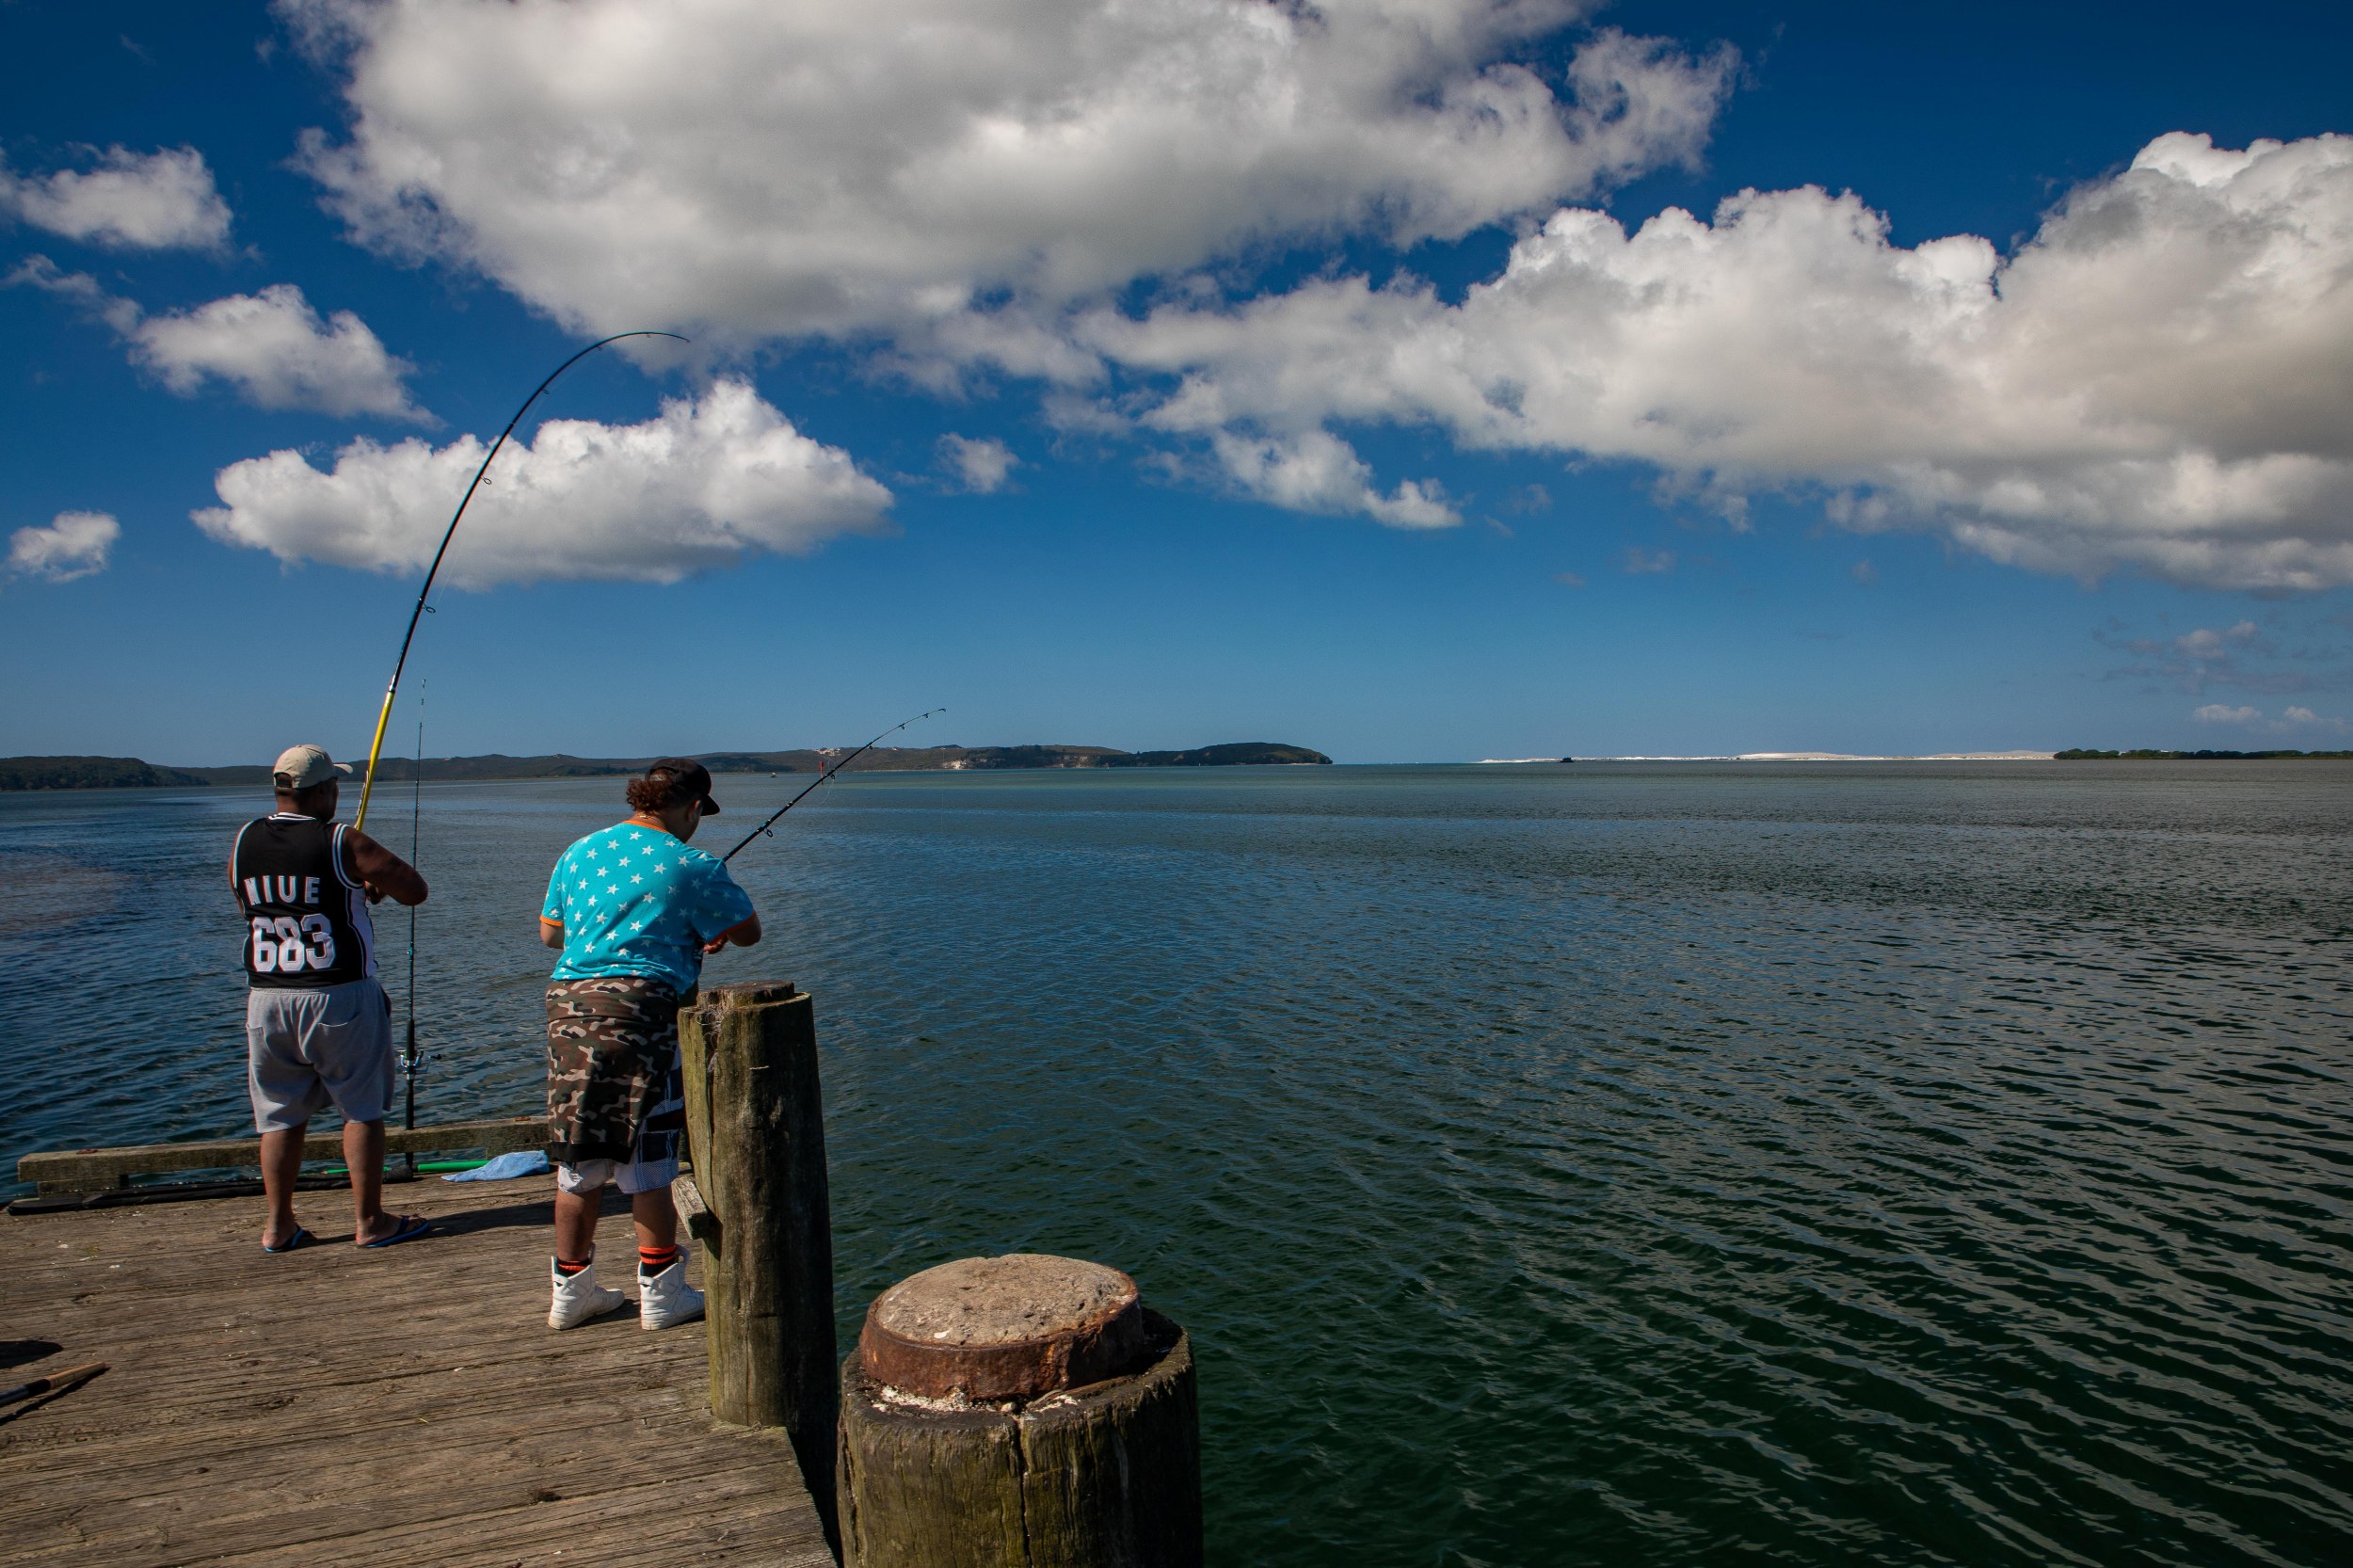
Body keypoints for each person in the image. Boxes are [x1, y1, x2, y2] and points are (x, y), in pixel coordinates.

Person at [537, 759, 761, 1330]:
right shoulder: (693, 863)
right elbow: (747, 931)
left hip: (569, 1010)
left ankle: (570, 1292)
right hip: (643, 1014)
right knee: (649, 1160)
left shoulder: (580, 850)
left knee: (579, 1155)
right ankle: (662, 1294)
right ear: (691, 809)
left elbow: (550, 933)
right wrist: (698, 929)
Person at [231, 744, 432, 1252]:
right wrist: (366, 881)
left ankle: (278, 1226)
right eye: (335, 787)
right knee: (361, 1109)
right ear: (321, 791)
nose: (338, 794)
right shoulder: (340, 839)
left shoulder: (244, 840)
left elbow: (249, 905)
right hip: (337, 994)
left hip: (267, 996)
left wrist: (349, 889)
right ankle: (371, 1221)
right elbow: (413, 889)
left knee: (278, 1115)